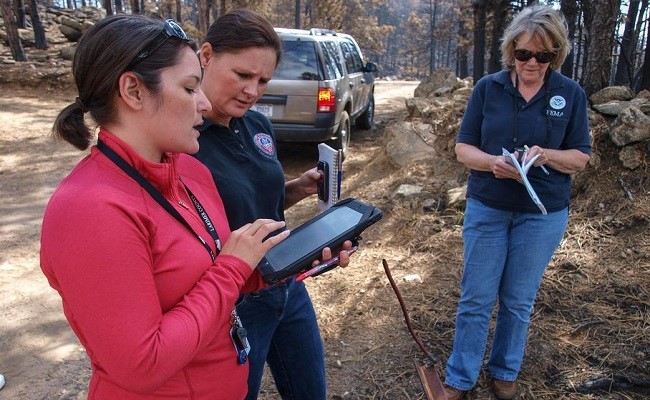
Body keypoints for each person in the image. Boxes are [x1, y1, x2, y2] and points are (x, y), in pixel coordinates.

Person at [40, 14, 290, 400]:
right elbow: (143, 364)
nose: (204, 104)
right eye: (191, 89)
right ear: (134, 91)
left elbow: (207, 277)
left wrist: (291, 262)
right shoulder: (89, 209)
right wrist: (233, 266)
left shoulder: (189, 171)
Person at [193, 9, 353, 400]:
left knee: (310, 391)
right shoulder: (184, 138)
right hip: (235, 302)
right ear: (207, 56)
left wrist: (297, 189)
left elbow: (259, 197)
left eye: (263, 80)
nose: (253, 90)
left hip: (287, 284)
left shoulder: (257, 124)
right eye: (243, 75)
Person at [443, 5, 591, 400]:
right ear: (512, 51)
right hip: (488, 206)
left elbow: (581, 156)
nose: (532, 63)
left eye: (543, 56)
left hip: (542, 217)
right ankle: (460, 377)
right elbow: (462, 149)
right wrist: (493, 163)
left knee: (518, 300)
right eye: (524, 53)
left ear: (554, 56)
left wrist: (547, 156)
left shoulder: (569, 94)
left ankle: (504, 370)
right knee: (476, 297)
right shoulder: (488, 88)